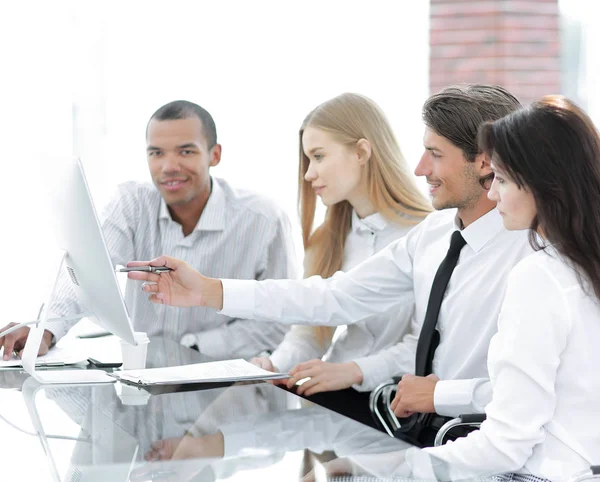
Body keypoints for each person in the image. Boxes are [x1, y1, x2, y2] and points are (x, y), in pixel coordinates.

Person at [126, 85, 534, 446]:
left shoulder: (532, 252)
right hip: (408, 426)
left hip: (460, 433)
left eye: (434, 154)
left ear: (483, 162)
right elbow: (334, 297)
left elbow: (526, 392)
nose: (419, 168)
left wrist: (376, 377)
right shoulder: (432, 235)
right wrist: (209, 291)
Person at [354, 96, 600, 481]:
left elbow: (506, 443)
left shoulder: (540, 276)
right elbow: (545, 393)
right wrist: (444, 396)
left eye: (501, 179)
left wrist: (401, 469)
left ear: (541, 183)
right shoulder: (584, 266)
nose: (492, 194)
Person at [0, 100, 297, 360]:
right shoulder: (131, 203)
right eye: (156, 153)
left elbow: (279, 317)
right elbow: (86, 272)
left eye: (186, 152)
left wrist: (191, 347)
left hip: (228, 389)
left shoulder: (264, 219)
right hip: (144, 383)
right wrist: (47, 328)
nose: (168, 166)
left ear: (214, 155)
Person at [250, 92, 431, 427]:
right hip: (329, 402)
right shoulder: (326, 240)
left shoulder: (427, 235)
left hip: (395, 411)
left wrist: (351, 372)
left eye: (318, 157)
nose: (308, 174)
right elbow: (311, 332)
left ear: (362, 151)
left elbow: (424, 348)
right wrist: (275, 365)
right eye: (307, 159)